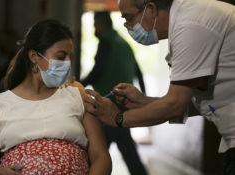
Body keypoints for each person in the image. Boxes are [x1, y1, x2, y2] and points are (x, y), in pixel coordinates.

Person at [83, 0, 235, 174]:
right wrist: (145, 101)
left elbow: (175, 104)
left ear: (151, 9)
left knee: (122, 149)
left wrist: (118, 118)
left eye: (129, 18)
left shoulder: (191, 25)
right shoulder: (185, 22)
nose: (128, 27)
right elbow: (202, 103)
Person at [0, 19, 112, 175]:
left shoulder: (79, 97)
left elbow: (101, 157)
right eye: (61, 57)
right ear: (34, 56)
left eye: (69, 56)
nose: (68, 62)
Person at [81, 11, 147, 175]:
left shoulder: (106, 42)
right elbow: (138, 72)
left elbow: (98, 70)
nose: (94, 28)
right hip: (125, 101)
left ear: (102, 23)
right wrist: (143, 98)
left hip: (110, 102)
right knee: (104, 142)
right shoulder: (124, 43)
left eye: (95, 24)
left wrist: (78, 86)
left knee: (123, 145)